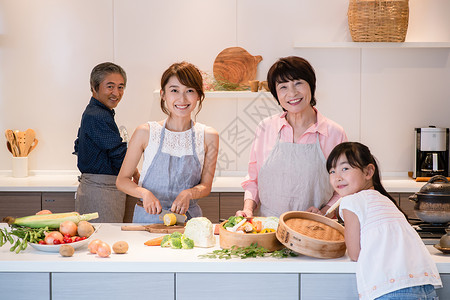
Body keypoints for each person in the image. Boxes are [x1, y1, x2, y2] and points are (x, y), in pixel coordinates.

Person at [327, 142, 442, 300]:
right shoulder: (386, 200)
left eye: (345, 168)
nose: (337, 177)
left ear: (368, 171)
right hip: (425, 283)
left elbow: (355, 254)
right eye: (332, 171)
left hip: (391, 288)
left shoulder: (351, 202)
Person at [237, 56, 347, 218]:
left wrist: (324, 212)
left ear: (311, 85)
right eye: (283, 87)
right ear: (276, 94)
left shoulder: (334, 133)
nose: (292, 93)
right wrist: (248, 209)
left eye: (298, 83)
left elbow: (345, 186)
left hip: (315, 229)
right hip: (270, 228)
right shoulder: (265, 128)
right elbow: (253, 180)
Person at [116, 61, 219, 223]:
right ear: (163, 94)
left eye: (189, 91)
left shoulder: (208, 135)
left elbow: (206, 186)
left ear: (198, 95)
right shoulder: (146, 132)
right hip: (147, 219)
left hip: (188, 221)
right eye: (174, 90)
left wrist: (189, 193)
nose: (182, 98)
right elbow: (122, 180)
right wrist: (144, 193)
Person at [74, 62, 139, 223]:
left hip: (98, 189)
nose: (116, 93)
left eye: (120, 87)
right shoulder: (98, 115)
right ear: (94, 87)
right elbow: (118, 153)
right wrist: (137, 175)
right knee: (104, 241)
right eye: (110, 86)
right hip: (100, 192)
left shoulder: (97, 112)